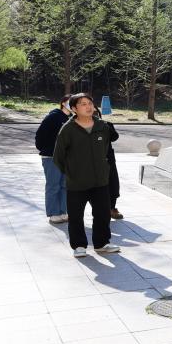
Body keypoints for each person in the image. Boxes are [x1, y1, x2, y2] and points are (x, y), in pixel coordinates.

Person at [53, 93, 119, 257]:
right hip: (77, 182)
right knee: (76, 216)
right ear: (74, 108)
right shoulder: (68, 129)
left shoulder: (102, 126)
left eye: (90, 103)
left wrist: (104, 169)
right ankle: (79, 246)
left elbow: (106, 151)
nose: (88, 106)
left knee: (102, 214)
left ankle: (102, 243)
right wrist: (72, 172)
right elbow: (58, 157)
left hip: (100, 181)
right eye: (83, 104)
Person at [35, 95, 71, 224]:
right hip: (51, 157)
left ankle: (63, 211)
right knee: (53, 185)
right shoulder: (53, 116)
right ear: (63, 103)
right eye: (70, 102)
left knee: (65, 185)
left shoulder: (71, 119)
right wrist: (47, 150)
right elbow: (40, 136)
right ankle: (53, 213)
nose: (72, 104)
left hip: (66, 158)